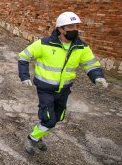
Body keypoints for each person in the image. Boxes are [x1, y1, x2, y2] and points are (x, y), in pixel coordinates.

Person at [18, 11, 109, 156]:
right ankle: (32, 138)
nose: (74, 29)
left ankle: (38, 135)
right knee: (49, 119)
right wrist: (24, 76)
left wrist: (98, 77)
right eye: (70, 26)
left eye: (76, 26)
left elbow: (91, 64)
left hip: (64, 90)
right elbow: (23, 57)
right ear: (60, 29)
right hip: (45, 90)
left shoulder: (81, 47)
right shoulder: (45, 43)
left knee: (59, 117)